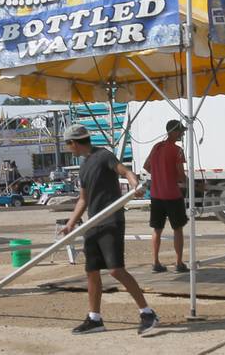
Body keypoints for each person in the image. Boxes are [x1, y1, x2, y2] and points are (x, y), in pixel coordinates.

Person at [60, 124, 159, 335]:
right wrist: (71, 223)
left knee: (115, 270)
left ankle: (147, 313)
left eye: (68, 144)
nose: (69, 149)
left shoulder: (103, 156)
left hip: (111, 220)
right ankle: (95, 319)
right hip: (92, 224)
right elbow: (83, 199)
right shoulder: (84, 165)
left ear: (74, 143)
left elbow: (125, 170)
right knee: (92, 271)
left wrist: (135, 184)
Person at [143, 119, 189, 273]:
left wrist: (158, 175)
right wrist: (193, 184)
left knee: (157, 229)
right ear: (174, 132)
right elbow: (181, 175)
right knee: (178, 229)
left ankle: (155, 262)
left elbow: (146, 166)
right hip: (173, 195)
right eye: (181, 131)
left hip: (156, 195)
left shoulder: (156, 147)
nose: (182, 134)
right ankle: (179, 263)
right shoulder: (177, 150)